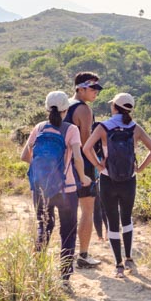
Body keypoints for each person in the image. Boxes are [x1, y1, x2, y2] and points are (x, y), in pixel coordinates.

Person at [83, 92, 151, 277]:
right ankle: (129, 258)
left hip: (108, 179)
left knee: (112, 221)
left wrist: (99, 166)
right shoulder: (135, 128)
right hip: (129, 180)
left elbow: (86, 148)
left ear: (114, 107)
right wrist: (139, 168)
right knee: (127, 218)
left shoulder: (103, 127)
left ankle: (118, 265)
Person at [21, 91, 92, 281]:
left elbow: (25, 156)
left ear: (46, 108)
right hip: (66, 189)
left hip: (41, 188)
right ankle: (65, 276)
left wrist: (44, 172)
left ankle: (37, 270)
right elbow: (77, 157)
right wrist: (83, 177)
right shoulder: (70, 130)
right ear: (66, 109)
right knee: (68, 232)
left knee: (43, 227)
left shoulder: (39, 127)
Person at [63, 72, 105, 268]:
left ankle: (66, 255)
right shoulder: (84, 111)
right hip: (83, 166)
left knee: (67, 212)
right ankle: (83, 255)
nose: (96, 92)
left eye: (97, 88)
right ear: (80, 88)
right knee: (87, 211)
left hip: (63, 165)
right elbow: (86, 144)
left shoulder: (64, 107)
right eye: (92, 88)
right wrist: (98, 165)